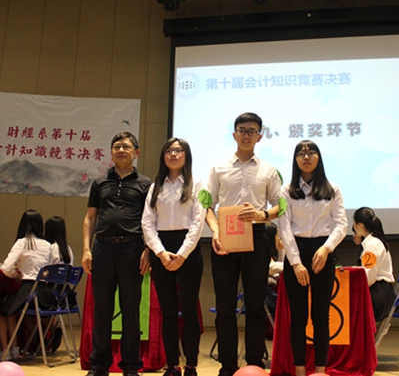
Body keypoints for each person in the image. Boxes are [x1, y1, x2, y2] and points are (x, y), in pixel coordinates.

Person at [203, 112, 281, 376]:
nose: (247, 135)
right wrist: (215, 231)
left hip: (257, 237)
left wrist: (262, 215)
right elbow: (206, 204)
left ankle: (254, 365)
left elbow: (281, 205)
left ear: (260, 136)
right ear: (234, 134)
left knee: (256, 306)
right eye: (242, 130)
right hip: (224, 237)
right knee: (225, 307)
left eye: (252, 131)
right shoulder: (218, 168)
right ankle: (227, 366)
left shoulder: (269, 170)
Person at [82, 132, 152, 376]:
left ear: (136, 152)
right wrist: (86, 250)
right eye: (117, 147)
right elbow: (90, 218)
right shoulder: (99, 183)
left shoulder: (145, 184)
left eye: (126, 146)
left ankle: (130, 367)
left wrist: (148, 250)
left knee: (130, 311)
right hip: (102, 250)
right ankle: (98, 366)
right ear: (111, 152)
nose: (121, 150)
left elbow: (150, 221)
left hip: (133, 250)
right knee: (102, 310)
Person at [278, 140, 347, 376]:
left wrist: (327, 249)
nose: (306, 157)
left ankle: (320, 369)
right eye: (301, 153)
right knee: (298, 317)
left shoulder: (332, 189)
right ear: (295, 159)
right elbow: (284, 227)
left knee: (321, 316)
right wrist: (296, 263)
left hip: (323, 251)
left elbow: (341, 224)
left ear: (319, 157)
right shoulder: (287, 191)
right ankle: (299, 369)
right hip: (296, 253)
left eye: (311, 152)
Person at [141, 138, 204, 376]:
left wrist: (182, 255)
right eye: (168, 151)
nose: (173, 154)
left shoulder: (197, 184)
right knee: (167, 311)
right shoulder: (155, 186)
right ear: (163, 156)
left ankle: (191, 365)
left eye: (178, 150)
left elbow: (198, 223)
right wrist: (160, 252)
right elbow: (147, 222)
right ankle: (172, 365)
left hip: (189, 251)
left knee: (189, 311)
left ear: (186, 155)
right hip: (162, 250)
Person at [0, 209, 53, 361]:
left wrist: (17, 275)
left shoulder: (22, 242)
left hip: (28, 291)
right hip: (46, 295)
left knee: (2, 307)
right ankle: (15, 349)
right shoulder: (48, 245)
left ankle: (6, 350)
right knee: (9, 306)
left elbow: (6, 268)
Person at [351, 207, 395, 322]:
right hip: (380, 292)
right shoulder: (374, 242)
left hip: (378, 295)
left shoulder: (372, 245)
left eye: (354, 224)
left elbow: (369, 277)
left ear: (360, 226)